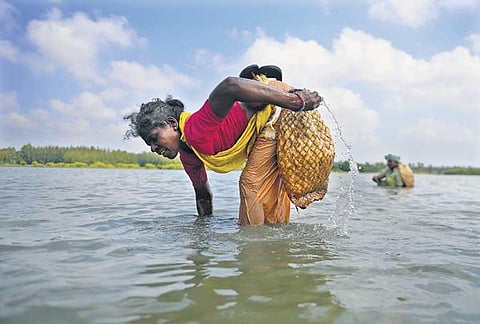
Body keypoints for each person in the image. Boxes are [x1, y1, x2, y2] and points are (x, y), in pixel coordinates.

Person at [124, 65, 323, 225]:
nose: (152, 148)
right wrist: (202, 234)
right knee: (263, 207)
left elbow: (229, 86)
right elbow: (203, 196)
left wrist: (296, 102)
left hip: (276, 107)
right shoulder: (189, 154)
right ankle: (272, 247)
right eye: (148, 144)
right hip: (266, 111)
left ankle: (254, 253)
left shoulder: (194, 128)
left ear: (172, 124)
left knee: (250, 184)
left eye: (154, 138)